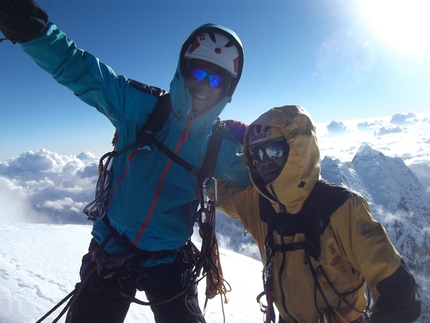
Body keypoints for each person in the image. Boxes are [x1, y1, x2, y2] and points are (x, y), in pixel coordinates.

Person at [0, 1, 250, 322]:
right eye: (198, 72)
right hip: (113, 249)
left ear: (229, 89)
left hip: (168, 259)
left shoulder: (221, 146)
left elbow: (267, 184)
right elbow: (79, 68)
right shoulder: (139, 107)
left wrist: (267, 141)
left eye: (217, 80)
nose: (204, 86)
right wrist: (34, 32)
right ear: (183, 70)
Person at [213, 105, 421, 323]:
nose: (265, 162)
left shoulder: (341, 208)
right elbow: (217, 190)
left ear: (297, 149)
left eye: (274, 150)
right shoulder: (259, 203)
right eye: (258, 154)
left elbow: (397, 292)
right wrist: (211, 143)